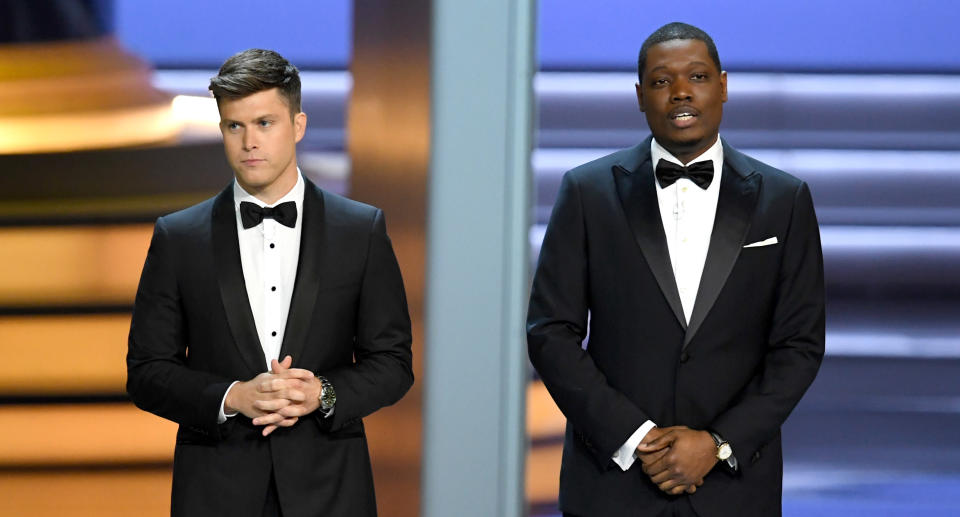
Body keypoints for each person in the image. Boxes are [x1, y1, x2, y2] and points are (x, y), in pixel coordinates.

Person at [527, 22, 824, 517]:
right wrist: (638, 440)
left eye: (698, 77)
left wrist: (718, 443)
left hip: (734, 489)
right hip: (612, 486)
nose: (681, 92)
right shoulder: (587, 192)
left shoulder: (784, 199)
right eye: (662, 81)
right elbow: (550, 332)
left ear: (723, 86)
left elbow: (799, 345)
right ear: (640, 95)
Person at [127, 49, 413, 517]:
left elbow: (393, 363)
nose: (249, 142)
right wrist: (231, 397)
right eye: (234, 126)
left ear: (297, 125)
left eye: (265, 123)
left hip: (330, 490)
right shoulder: (179, 238)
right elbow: (146, 372)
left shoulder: (359, 231)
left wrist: (322, 393)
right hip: (216, 491)